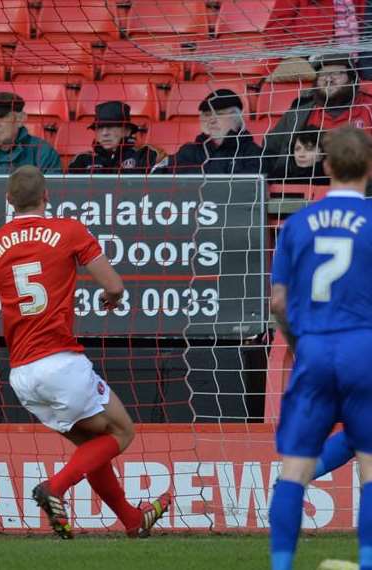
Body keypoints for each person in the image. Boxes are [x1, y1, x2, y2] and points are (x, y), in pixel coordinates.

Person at [0, 165, 171, 539]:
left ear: (8, 201)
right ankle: (55, 488)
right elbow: (114, 285)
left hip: (23, 377)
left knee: (92, 447)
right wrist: (110, 297)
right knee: (122, 432)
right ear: (46, 197)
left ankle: (132, 520)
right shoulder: (68, 230)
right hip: (62, 363)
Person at [268, 126, 372, 570]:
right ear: (368, 167)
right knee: (370, 466)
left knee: (293, 471)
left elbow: (277, 302)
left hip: (313, 348)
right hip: (363, 347)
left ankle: (281, 565)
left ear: (326, 166)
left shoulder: (296, 224)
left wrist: (300, 343)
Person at [264, 53, 372, 176]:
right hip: (307, 190)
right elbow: (269, 150)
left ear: (352, 78)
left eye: (337, 73)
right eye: (322, 74)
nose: (329, 79)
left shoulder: (369, 107)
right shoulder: (299, 113)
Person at [153, 89, 262, 175]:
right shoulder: (189, 152)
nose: (212, 120)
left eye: (219, 114)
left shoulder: (253, 153)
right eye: (207, 115)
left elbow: (249, 189)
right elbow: (157, 174)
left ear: (237, 118)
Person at [68, 101, 161, 174]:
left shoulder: (147, 155)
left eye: (111, 126)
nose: (104, 133)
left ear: (127, 130)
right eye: (99, 128)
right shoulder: (81, 161)